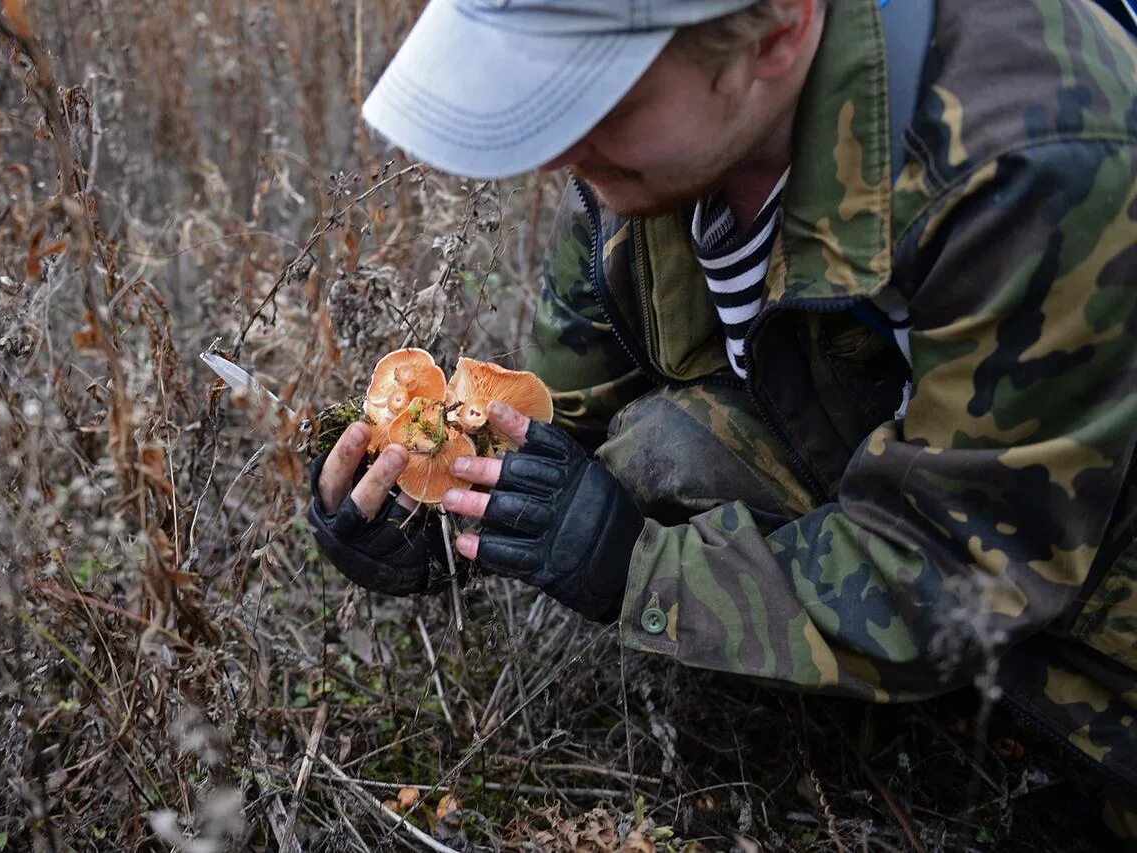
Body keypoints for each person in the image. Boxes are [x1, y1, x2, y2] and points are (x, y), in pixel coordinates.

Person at [307, 0, 1137, 839]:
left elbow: (957, 563)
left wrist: (638, 568)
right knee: (663, 445)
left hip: (1081, 577)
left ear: (778, 29)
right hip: (967, 500)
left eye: (598, 95)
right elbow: (567, 415)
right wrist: (448, 504)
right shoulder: (658, 166)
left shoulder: (1033, 161)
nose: (558, 150)